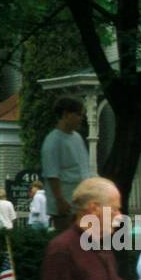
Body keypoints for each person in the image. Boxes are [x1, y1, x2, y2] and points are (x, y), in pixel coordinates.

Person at [40, 97, 91, 230]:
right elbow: (52, 174)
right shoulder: (53, 141)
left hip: (81, 201)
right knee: (67, 239)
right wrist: (60, 200)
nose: (81, 118)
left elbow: (84, 168)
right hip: (65, 202)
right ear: (66, 114)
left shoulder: (77, 138)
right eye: (78, 114)